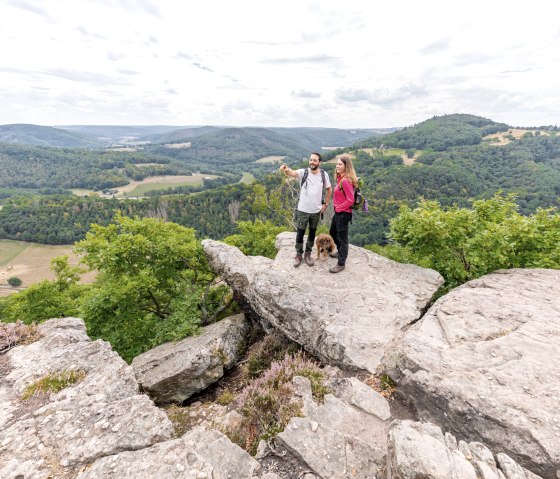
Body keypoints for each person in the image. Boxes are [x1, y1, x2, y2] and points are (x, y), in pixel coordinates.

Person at [280, 152, 332, 267]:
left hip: (316, 211)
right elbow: (291, 173)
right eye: (311, 160)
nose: (312, 162)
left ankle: (308, 254)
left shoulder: (324, 175)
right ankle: (298, 254)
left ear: (319, 162)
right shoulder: (303, 172)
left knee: (312, 233)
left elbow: (329, 189)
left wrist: (326, 204)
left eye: (314, 160)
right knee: (300, 233)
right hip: (303, 209)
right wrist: (285, 169)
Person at [329, 155, 359, 273]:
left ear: (346, 166)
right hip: (339, 212)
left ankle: (341, 263)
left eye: (340, 164)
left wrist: (339, 208)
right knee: (332, 231)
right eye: (337, 164)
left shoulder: (346, 180)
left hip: (343, 213)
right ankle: (341, 251)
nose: (337, 166)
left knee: (343, 239)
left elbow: (350, 200)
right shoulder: (341, 178)